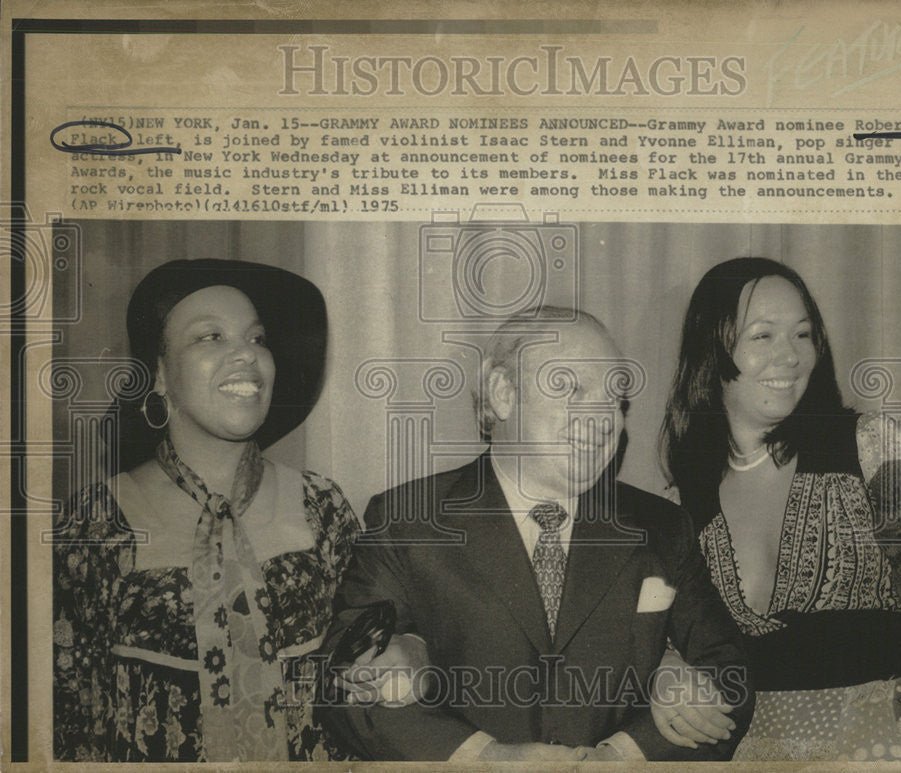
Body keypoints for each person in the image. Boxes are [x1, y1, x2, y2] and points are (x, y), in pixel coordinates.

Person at [319, 307, 755, 761]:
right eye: (568, 386)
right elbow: (341, 685)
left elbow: (730, 677)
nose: (602, 417)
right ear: (503, 394)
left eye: (613, 398)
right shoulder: (407, 521)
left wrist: (627, 755)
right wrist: (484, 759)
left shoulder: (661, 526)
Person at [656, 257, 901, 761]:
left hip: (872, 751)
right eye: (763, 336)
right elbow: (647, 638)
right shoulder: (684, 500)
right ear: (713, 348)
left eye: (802, 335)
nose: (791, 356)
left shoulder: (875, 450)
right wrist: (664, 668)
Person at [53, 259, 362, 761]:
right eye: (209, 337)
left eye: (258, 339)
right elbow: (66, 729)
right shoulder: (94, 524)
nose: (246, 354)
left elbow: (367, 693)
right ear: (157, 376)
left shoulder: (323, 507)